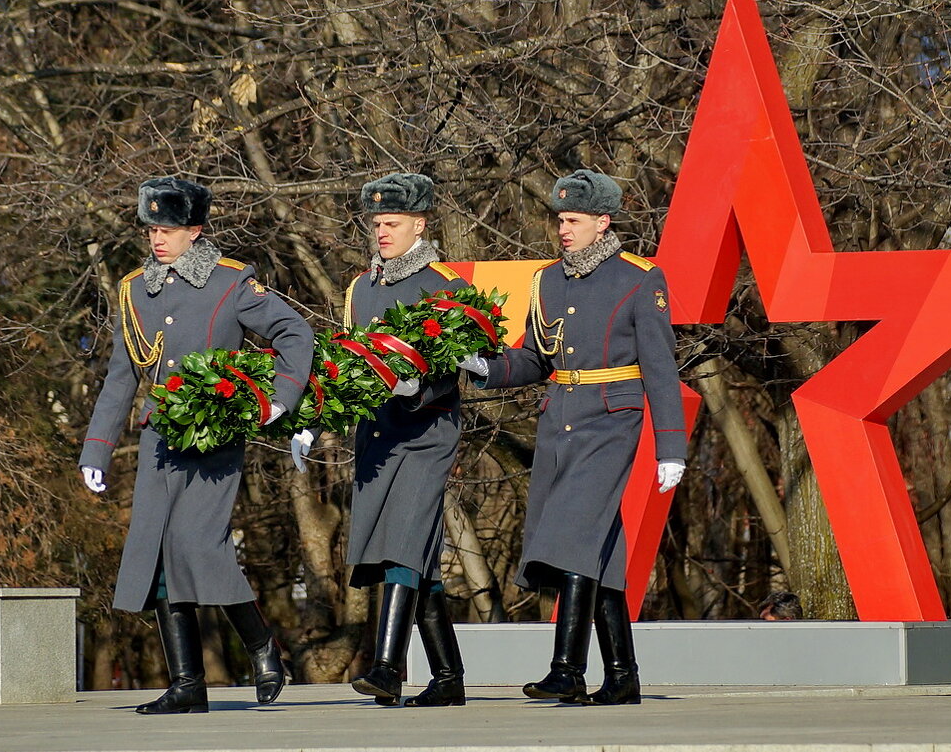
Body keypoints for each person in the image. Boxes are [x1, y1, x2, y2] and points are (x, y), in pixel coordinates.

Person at [79, 176, 313, 714]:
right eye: (151, 229)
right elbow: (122, 375)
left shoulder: (231, 284)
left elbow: (294, 334)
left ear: (195, 231)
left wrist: (278, 399)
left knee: (195, 543)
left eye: (167, 229)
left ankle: (261, 645)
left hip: (215, 432)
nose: (157, 239)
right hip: (161, 435)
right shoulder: (136, 287)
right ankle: (188, 685)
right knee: (159, 550)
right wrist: (97, 448)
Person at [459, 169, 687, 706]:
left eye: (574, 220)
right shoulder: (546, 281)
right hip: (560, 417)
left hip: (612, 419)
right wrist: (483, 366)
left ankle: (566, 668)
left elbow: (660, 366)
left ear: (602, 222)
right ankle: (622, 675)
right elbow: (534, 358)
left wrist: (671, 445)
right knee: (598, 549)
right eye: (560, 219)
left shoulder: (639, 278)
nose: (563, 229)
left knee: (570, 536)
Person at [295, 173, 469, 707]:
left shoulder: (446, 287)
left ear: (420, 224)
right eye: (376, 224)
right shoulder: (361, 288)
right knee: (413, 553)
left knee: (403, 539)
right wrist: (313, 416)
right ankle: (448, 678)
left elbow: (453, 363)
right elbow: (345, 365)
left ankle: (388, 667)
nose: (382, 232)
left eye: (392, 223)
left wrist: (418, 382)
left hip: (426, 431)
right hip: (377, 434)